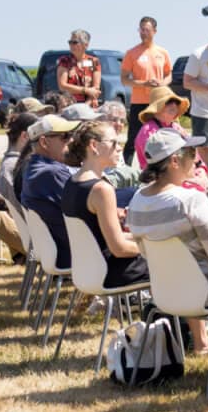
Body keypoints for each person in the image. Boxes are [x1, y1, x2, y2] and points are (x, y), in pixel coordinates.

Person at [128, 129, 208, 356]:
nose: (197, 158)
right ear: (174, 161)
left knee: (193, 263)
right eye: (191, 152)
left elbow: (148, 254)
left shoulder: (137, 200)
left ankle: (203, 343)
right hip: (205, 291)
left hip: (165, 291)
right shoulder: (190, 200)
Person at [62, 120, 148, 288]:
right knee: (177, 262)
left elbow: (106, 237)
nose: (119, 148)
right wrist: (156, 250)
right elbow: (118, 248)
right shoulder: (101, 189)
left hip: (89, 270)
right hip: (112, 272)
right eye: (114, 142)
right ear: (94, 145)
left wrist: (146, 239)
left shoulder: (71, 182)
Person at [20, 116, 79, 269]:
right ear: (44, 142)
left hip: (57, 249)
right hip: (73, 253)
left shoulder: (32, 167)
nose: (71, 140)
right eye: (65, 136)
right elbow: (87, 210)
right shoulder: (52, 173)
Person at [123, 16, 171, 126]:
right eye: (141, 30)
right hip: (139, 102)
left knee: (160, 135)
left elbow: (169, 75)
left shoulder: (163, 52)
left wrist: (162, 84)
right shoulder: (131, 53)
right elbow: (124, 80)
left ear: (154, 31)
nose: (143, 33)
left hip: (159, 101)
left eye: (147, 30)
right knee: (135, 138)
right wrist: (144, 83)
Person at [55, 30, 103, 106]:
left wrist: (85, 105)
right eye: (70, 42)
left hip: (89, 107)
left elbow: (95, 88)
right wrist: (86, 90)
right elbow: (62, 86)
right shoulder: (65, 61)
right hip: (69, 107)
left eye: (75, 42)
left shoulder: (94, 61)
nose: (71, 45)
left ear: (86, 45)